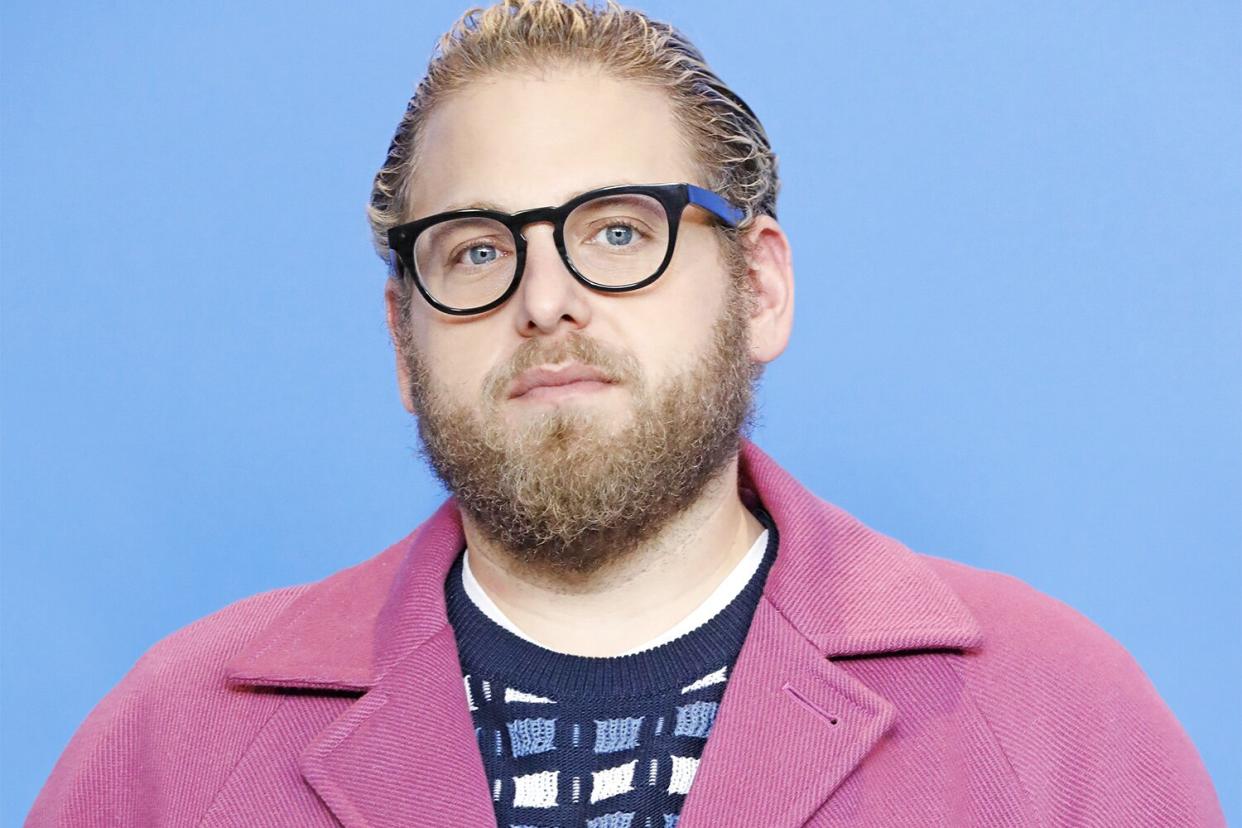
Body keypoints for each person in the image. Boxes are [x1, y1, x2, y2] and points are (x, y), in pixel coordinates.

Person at [28, 1, 1225, 826]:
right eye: (477, 248)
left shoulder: (1059, 720)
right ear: (404, 340)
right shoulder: (172, 747)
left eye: (618, 232)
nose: (545, 300)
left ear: (758, 287)